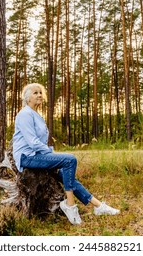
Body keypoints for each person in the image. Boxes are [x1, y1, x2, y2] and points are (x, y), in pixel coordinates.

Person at [12, 83, 120, 225]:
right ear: (27, 98)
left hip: (37, 154)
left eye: (40, 92)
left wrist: (50, 154)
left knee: (65, 174)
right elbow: (32, 142)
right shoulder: (25, 114)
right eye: (35, 93)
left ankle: (98, 206)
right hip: (28, 157)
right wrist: (51, 153)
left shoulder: (35, 114)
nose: (39, 95)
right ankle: (70, 205)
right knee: (69, 160)